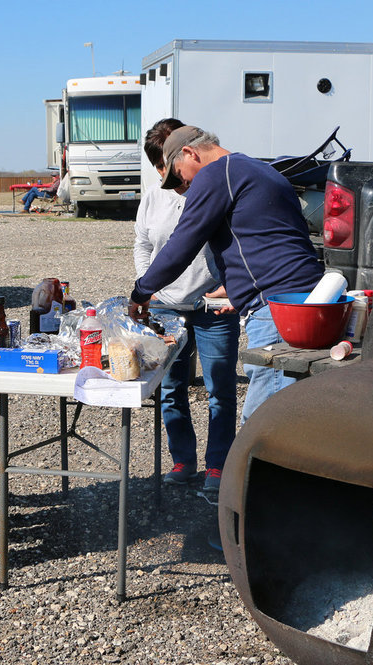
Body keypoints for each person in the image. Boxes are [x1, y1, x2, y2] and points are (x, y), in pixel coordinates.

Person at [129, 125, 324, 439]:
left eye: (180, 176)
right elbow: (271, 240)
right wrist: (238, 288)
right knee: (293, 413)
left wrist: (141, 291)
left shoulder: (216, 174)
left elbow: (182, 244)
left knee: (264, 426)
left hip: (276, 310)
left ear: (191, 153)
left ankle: (252, 487)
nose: (185, 186)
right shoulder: (259, 169)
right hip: (303, 302)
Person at [134, 119, 239, 493]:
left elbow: (238, 243)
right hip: (165, 308)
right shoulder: (154, 196)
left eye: (170, 167)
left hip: (213, 308)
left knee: (220, 391)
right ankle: (183, 460)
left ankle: (218, 466)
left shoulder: (214, 190)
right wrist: (149, 289)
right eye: (161, 169)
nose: (168, 176)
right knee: (170, 388)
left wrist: (232, 286)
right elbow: (144, 244)